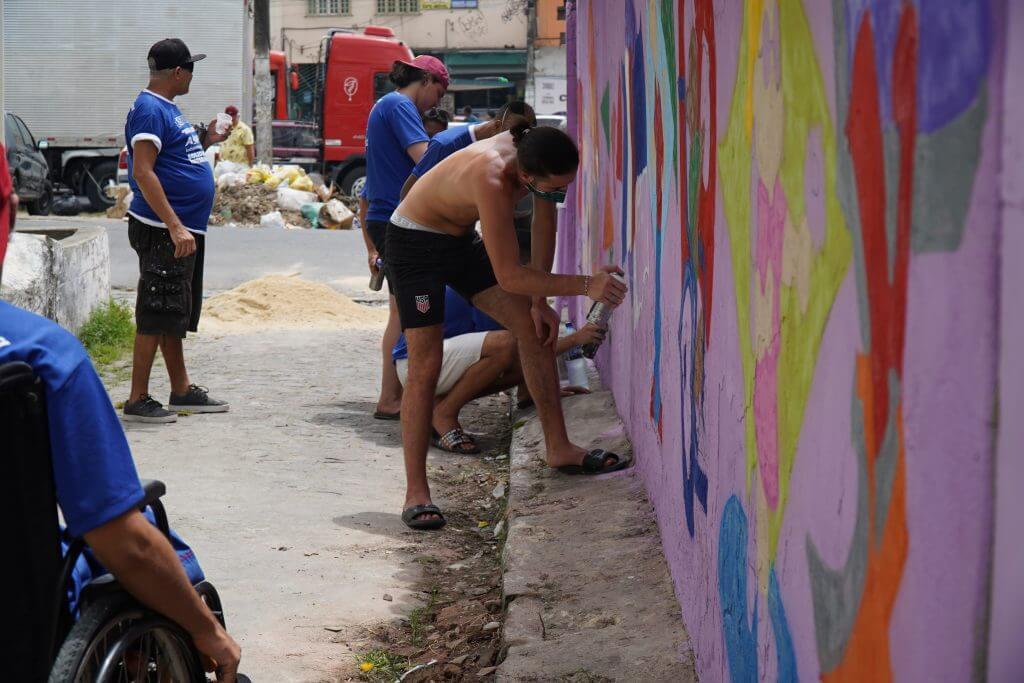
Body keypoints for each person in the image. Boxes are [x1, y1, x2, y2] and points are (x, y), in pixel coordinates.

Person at [0, 145, 241, 681]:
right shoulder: (40, 354)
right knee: (149, 539)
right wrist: (206, 630)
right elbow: (121, 540)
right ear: (10, 215)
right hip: (17, 623)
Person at [387, 123, 629, 530]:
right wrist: (588, 284)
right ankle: (416, 492)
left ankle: (559, 447)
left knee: (534, 329)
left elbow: (544, 226)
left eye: (565, 187)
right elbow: (511, 275)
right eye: (554, 188)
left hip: (458, 239)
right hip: (414, 245)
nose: (559, 194)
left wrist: (539, 303)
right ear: (526, 177)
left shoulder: (539, 158)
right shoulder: (492, 176)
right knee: (425, 363)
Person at [122, 38, 232, 423]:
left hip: (180, 228)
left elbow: (175, 153)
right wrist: (174, 226)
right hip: (162, 229)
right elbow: (143, 171)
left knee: (172, 310)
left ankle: (181, 389)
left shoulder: (166, 107)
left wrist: (208, 138)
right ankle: (137, 398)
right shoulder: (149, 109)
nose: (192, 76)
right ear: (178, 72)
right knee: (156, 309)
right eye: (191, 68)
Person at [392, 287, 604, 455]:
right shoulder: (492, 289)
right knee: (505, 345)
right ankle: (444, 412)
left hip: (437, 362)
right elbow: (525, 350)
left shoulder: (505, 286)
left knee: (517, 355)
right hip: (415, 367)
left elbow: (526, 360)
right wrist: (575, 339)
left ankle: (441, 403)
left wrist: (544, 392)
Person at [361, 55, 448, 421]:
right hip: (395, 220)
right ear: (426, 79)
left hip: (387, 218)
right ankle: (392, 396)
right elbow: (425, 160)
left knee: (400, 311)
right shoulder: (400, 105)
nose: (436, 103)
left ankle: (393, 394)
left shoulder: (386, 105)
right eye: (439, 93)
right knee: (405, 312)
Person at [400, 101, 536, 201]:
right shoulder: (446, 145)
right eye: (513, 136)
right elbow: (408, 191)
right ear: (496, 126)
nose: (516, 144)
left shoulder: (503, 147)